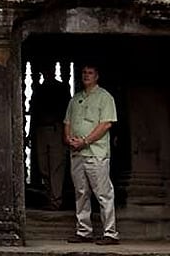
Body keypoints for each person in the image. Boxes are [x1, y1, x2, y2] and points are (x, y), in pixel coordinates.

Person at [64, 63, 120, 245]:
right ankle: (84, 231)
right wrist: (69, 139)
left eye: (90, 73)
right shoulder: (76, 99)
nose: (86, 75)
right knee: (81, 192)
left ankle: (110, 233)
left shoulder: (105, 97)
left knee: (103, 193)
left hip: (96, 152)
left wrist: (85, 141)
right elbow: (67, 122)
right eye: (84, 72)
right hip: (77, 153)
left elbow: (106, 124)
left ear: (97, 76)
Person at [29, 62, 70, 211]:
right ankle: (50, 197)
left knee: (56, 166)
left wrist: (67, 132)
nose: (47, 73)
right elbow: (33, 112)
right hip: (40, 130)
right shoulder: (38, 90)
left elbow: (68, 112)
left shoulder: (62, 88)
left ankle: (56, 200)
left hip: (56, 129)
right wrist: (29, 134)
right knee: (43, 167)